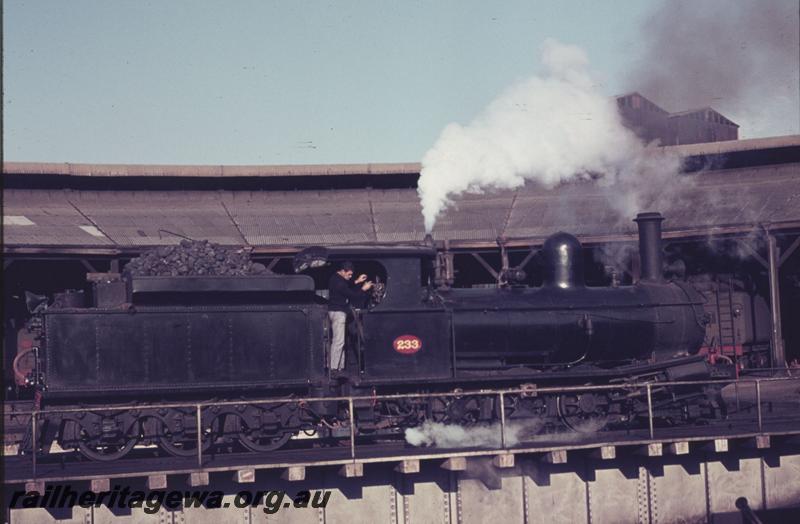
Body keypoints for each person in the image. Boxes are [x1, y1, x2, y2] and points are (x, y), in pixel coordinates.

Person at [328, 261, 373, 372]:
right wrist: (363, 288)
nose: (350, 277)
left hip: (337, 311)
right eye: (349, 274)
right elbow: (352, 295)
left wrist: (357, 281)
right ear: (343, 271)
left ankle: (339, 367)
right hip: (338, 313)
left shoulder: (337, 279)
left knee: (340, 341)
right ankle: (333, 368)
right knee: (339, 341)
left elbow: (347, 287)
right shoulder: (338, 283)